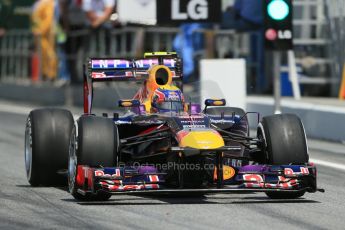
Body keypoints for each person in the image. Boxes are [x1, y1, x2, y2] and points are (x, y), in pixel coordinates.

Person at [31, 0, 58, 81]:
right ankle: (44, 73)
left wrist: (40, 30)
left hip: (46, 34)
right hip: (39, 35)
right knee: (42, 55)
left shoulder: (47, 2)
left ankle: (51, 74)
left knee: (49, 53)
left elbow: (48, 19)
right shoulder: (38, 3)